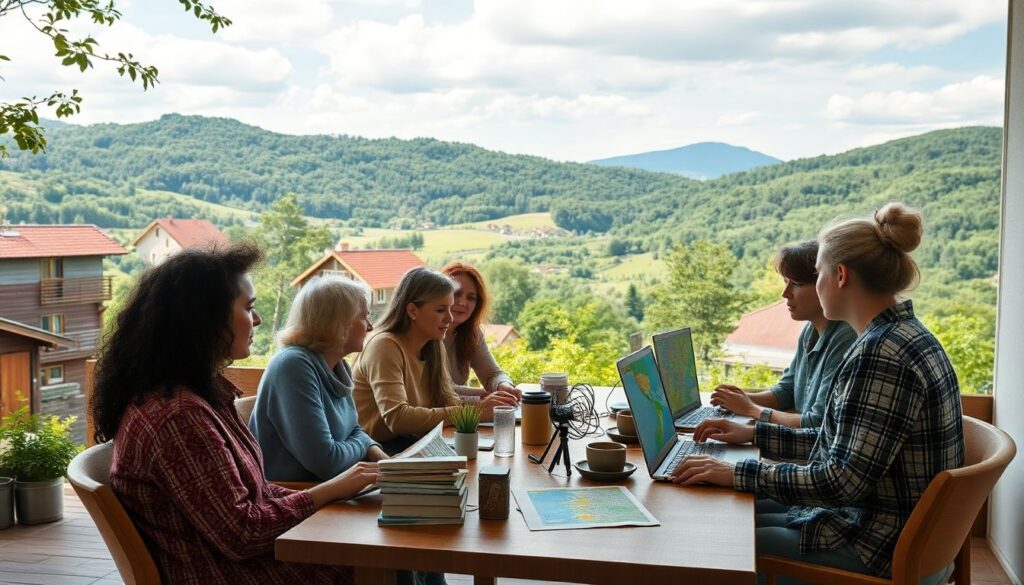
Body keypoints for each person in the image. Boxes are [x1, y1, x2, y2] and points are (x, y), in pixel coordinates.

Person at [674, 204, 963, 585]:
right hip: (895, 529)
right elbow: (837, 445)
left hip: (881, 544)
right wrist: (754, 436)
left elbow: (840, 482)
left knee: (723, 542)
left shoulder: (880, 355)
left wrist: (738, 471)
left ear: (839, 275)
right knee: (732, 508)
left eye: (819, 272)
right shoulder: (905, 335)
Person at [92, 244, 377, 584]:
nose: (256, 319)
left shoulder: (199, 396)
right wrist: (329, 491)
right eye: (249, 308)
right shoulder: (179, 417)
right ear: (206, 319)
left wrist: (343, 489)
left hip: (238, 562)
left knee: (384, 543)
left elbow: (259, 496)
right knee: (383, 557)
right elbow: (243, 533)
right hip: (226, 573)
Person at [353, 267, 518, 454]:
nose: (449, 317)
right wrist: (477, 409)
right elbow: (397, 419)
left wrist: (485, 399)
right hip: (377, 451)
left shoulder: (432, 343)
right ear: (412, 310)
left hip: (415, 441)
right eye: (441, 310)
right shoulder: (384, 346)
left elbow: (447, 397)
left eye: (449, 308)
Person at [250, 275, 388, 482]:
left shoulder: (336, 365)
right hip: (296, 496)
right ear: (337, 322)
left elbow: (354, 430)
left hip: (332, 488)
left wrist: (389, 464)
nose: (370, 326)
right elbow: (327, 462)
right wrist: (363, 446)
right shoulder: (294, 365)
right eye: (363, 317)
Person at [710, 241, 857, 429]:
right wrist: (741, 398)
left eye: (796, 284)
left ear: (825, 283)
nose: (785, 293)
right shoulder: (809, 331)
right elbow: (787, 391)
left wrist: (751, 409)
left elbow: (817, 422)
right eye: (785, 282)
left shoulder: (846, 338)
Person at [441, 262, 521, 401]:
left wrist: (504, 386)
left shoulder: (472, 333)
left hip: (463, 417)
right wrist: (483, 397)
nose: (462, 302)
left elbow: (493, 374)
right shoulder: (426, 332)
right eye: (456, 294)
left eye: (471, 298)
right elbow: (438, 391)